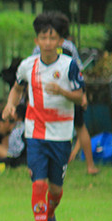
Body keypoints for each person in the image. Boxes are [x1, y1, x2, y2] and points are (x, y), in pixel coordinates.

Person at [2, 11, 85, 221]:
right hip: (36, 134)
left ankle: (50, 212)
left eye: (52, 38)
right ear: (36, 41)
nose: (47, 43)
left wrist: (63, 92)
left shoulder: (69, 67)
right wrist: (10, 104)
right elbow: (18, 89)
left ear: (60, 41)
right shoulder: (27, 66)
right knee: (38, 184)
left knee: (56, 191)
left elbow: (81, 96)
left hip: (61, 136)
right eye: (43, 38)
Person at [29, 27, 98, 175]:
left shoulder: (63, 46)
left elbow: (77, 71)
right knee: (76, 128)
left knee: (79, 126)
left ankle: (89, 165)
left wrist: (82, 94)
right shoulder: (62, 46)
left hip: (66, 95)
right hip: (53, 95)